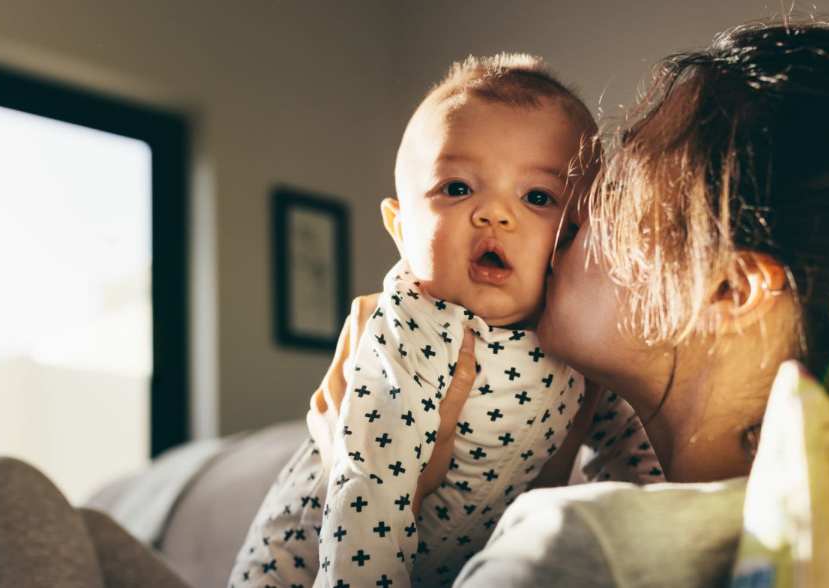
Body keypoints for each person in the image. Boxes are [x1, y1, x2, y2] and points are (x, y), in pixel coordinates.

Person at [0, 19, 829, 588]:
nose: (558, 215)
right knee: (87, 530)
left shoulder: (602, 551)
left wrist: (397, 483)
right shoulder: (649, 473)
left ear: (733, 286)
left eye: (609, 184)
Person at [228, 54, 658, 588]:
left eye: (538, 197)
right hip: (304, 565)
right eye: (457, 189)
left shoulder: (574, 335)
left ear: (578, 232)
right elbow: (370, 494)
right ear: (401, 227)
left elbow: (634, 457)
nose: (496, 214)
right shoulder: (411, 324)